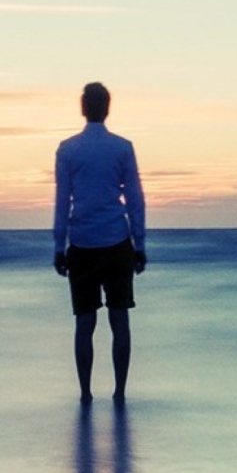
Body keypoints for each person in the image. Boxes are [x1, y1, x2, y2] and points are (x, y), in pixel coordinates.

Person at [53, 81, 146, 403]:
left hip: (82, 242)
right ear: (107, 108)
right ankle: (119, 392)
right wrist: (140, 242)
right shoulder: (122, 148)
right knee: (119, 319)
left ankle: (86, 393)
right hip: (117, 241)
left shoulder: (68, 149)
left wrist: (57, 245)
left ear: (83, 107)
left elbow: (63, 200)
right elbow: (134, 198)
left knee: (85, 322)